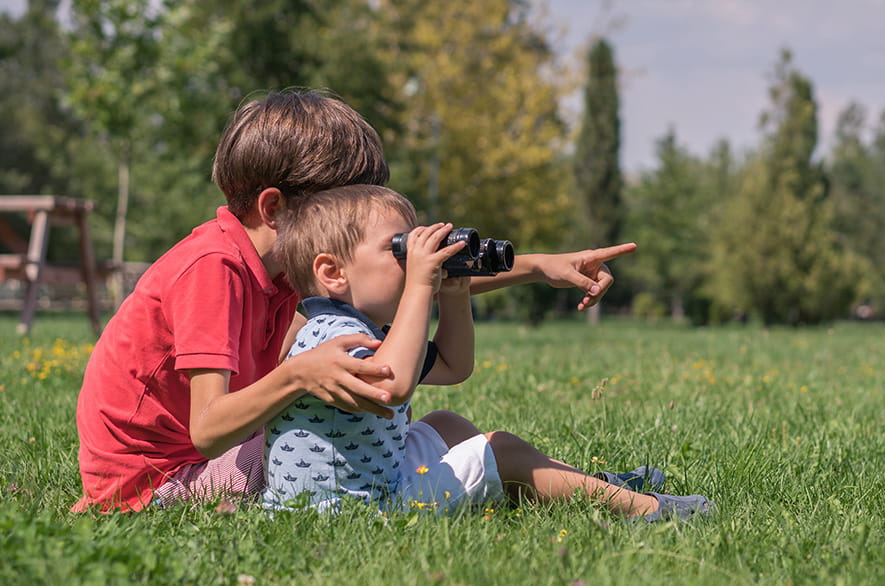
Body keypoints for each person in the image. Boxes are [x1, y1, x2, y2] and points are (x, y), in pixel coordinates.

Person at [73, 89, 639, 513]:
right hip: (157, 483)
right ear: (276, 209)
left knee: (447, 426)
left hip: (214, 455)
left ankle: (596, 490)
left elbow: (397, 283)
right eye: (340, 208)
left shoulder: (276, 265)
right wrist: (298, 376)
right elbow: (209, 429)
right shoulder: (213, 270)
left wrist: (541, 266)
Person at [262, 185, 711, 521]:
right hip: (351, 510)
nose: (413, 261)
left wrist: (454, 293)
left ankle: (592, 484)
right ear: (333, 272)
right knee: (498, 449)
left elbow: (456, 367)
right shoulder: (330, 334)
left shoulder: (369, 330)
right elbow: (393, 387)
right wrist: (421, 283)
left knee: (446, 424)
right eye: (397, 250)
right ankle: (645, 510)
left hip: (366, 482)